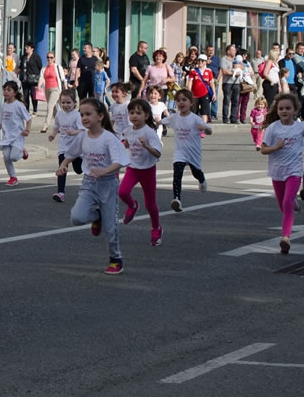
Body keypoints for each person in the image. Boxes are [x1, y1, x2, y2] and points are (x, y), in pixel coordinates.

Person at [57, 98, 129, 274]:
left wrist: (104, 171)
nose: (84, 118)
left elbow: (120, 161)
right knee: (77, 217)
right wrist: (63, 164)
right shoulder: (82, 136)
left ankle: (115, 259)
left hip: (108, 184)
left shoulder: (109, 138)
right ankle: (96, 216)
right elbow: (71, 153)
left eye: (88, 114)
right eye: (82, 114)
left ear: (100, 116)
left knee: (111, 227)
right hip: (89, 183)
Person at [259, 93, 304, 255]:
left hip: (294, 171)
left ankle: (285, 238)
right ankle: (294, 204)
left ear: (295, 110)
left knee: (287, 201)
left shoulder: (300, 127)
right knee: (283, 205)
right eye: (281, 108)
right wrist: (276, 147)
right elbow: (263, 149)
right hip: (277, 172)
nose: (284, 111)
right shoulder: (273, 128)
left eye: (288, 108)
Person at [118, 98, 164, 247]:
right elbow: (126, 143)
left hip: (148, 170)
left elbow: (157, 154)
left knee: (150, 205)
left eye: (139, 113)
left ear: (146, 115)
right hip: (133, 168)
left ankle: (156, 228)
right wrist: (119, 145)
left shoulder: (149, 133)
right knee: (122, 192)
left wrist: (146, 146)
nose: (134, 116)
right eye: (132, 113)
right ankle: (132, 205)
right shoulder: (128, 130)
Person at [163, 89, 213, 212]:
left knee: (196, 172)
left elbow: (209, 131)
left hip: (193, 152)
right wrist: (154, 121)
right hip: (180, 152)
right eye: (178, 100)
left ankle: (201, 179)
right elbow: (161, 122)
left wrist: (204, 128)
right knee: (177, 174)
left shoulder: (195, 119)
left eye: (184, 100)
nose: (181, 103)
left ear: (191, 103)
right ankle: (177, 199)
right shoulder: (174, 118)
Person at [0, 81, 31, 186]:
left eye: (9, 90)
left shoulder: (18, 105)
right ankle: (13, 177)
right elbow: (1, 122)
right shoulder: (3, 106)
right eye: (4, 90)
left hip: (18, 136)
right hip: (7, 136)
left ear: (15, 92)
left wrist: (27, 130)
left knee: (14, 157)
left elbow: (28, 118)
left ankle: (22, 152)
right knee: (6, 157)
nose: (6, 92)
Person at [48, 89, 82, 203]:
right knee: (62, 168)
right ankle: (60, 192)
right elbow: (56, 126)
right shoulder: (59, 114)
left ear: (74, 103)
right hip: (63, 147)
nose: (65, 105)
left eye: (68, 103)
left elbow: (83, 130)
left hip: (76, 147)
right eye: (63, 102)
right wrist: (53, 135)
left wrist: (74, 132)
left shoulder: (77, 115)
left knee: (78, 170)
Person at [41, 51, 67, 133]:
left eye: (51, 57)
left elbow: (63, 79)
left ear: (54, 58)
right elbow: (41, 78)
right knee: (54, 109)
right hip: (47, 89)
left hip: (56, 89)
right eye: (48, 57)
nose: (49, 59)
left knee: (50, 106)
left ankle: (45, 125)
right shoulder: (44, 68)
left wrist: (65, 90)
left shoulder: (58, 67)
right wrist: (39, 86)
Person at [186, 54, 215, 122]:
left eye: (202, 61)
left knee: (204, 111)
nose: (200, 62)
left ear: (205, 62)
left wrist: (214, 93)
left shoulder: (209, 71)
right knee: (193, 111)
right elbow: (190, 82)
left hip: (205, 94)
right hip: (194, 95)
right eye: (199, 60)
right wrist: (189, 93)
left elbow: (211, 83)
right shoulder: (193, 71)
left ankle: (203, 126)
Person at [220, 46, 243, 124]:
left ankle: (233, 118)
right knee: (227, 100)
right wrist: (234, 73)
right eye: (233, 50)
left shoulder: (236, 59)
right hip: (228, 83)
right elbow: (224, 71)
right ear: (228, 51)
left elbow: (242, 67)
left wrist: (239, 69)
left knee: (235, 101)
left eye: (235, 50)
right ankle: (225, 118)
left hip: (236, 83)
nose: (235, 51)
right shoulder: (224, 59)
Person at [19, 43, 43, 115]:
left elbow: (40, 67)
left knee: (33, 95)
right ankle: (26, 110)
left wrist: (41, 78)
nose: (26, 48)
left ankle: (35, 109)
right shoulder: (24, 57)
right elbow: (21, 66)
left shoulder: (36, 56)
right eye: (25, 47)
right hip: (25, 79)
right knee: (25, 95)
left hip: (34, 80)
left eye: (28, 47)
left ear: (32, 48)